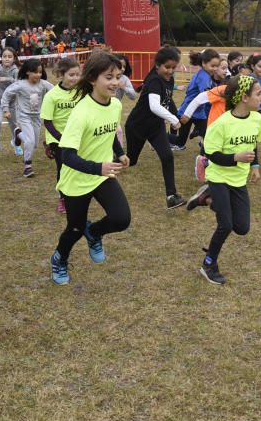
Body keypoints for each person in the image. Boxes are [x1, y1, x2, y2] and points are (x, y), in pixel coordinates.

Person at [49, 52, 131, 285]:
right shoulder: (81, 112)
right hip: (77, 179)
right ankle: (59, 259)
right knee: (74, 229)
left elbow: (110, 131)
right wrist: (98, 167)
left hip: (102, 175)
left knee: (121, 219)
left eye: (118, 76)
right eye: (109, 77)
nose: (115, 82)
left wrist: (121, 152)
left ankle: (94, 232)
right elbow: (67, 156)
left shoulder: (114, 104)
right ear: (93, 79)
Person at [187, 75, 261, 285]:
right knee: (226, 225)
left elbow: (253, 146)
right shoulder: (221, 124)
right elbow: (211, 155)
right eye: (258, 93)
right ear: (244, 98)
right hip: (219, 177)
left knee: (242, 227)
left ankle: (206, 198)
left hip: (238, 181)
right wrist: (235, 158)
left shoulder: (257, 119)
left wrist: (255, 165)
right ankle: (209, 264)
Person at [125, 46, 187, 209]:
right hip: (137, 126)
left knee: (167, 156)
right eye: (167, 67)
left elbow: (167, 100)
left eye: (173, 68)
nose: (170, 71)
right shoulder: (153, 80)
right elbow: (154, 106)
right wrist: (173, 119)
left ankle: (171, 196)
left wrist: (176, 114)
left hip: (155, 127)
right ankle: (103, 164)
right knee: (130, 161)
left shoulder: (169, 79)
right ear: (157, 65)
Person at [40, 57, 83, 214]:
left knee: (79, 166)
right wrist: (61, 138)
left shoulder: (82, 92)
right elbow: (48, 122)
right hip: (58, 138)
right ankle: (63, 198)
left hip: (78, 137)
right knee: (63, 169)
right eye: (71, 75)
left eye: (78, 74)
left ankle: (78, 194)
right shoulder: (52, 95)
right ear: (62, 74)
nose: (75, 78)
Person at [1, 58, 53, 178]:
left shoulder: (44, 84)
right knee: (29, 142)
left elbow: (56, 92)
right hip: (23, 116)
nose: (38, 75)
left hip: (37, 117)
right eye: (35, 72)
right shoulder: (20, 85)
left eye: (40, 72)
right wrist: (5, 109)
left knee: (33, 144)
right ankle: (27, 167)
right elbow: (7, 94)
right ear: (27, 72)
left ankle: (18, 133)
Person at [174, 49, 222, 150]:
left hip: (199, 113)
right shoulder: (203, 77)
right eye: (212, 66)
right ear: (204, 63)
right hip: (187, 112)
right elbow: (204, 96)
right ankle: (156, 136)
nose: (215, 68)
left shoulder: (205, 74)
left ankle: (207, 156)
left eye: (217, 66)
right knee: (180, 141)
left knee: (208, 135)